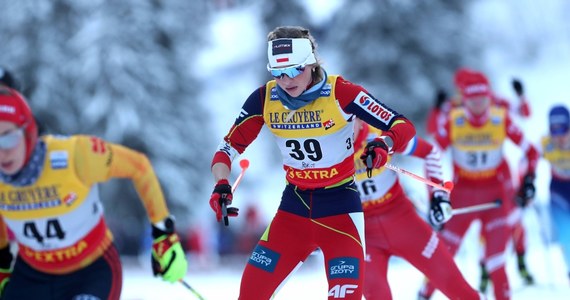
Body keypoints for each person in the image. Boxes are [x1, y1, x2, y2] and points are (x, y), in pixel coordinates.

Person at [208, 25, 415, 299]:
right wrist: (222, 184)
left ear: (311, 64)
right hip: (293, 212)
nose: (286, 80)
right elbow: (226, 149)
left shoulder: (340, 92)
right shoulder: (264, 98)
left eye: (295, 70)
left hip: (341, 213)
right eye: (278, 73)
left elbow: (402, 125)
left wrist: (383, 144)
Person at [0, 87, 188, 299]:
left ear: (28, 132)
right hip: (32, 276)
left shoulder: (77, 155)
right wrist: (3, 264)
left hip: (90, 272)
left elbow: (139, 166)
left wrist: (163, 234)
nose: (2, 151)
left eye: (9, 137)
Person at [417, 70, 539, 300]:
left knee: (496, 260)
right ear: (463, 98)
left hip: (495, 196)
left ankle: (514, 272)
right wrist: (435, 194)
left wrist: (529, 181)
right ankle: (424, 294)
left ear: (488, 96)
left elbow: (531, 151)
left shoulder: (499, 116)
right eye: (472, 100)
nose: (478, 105)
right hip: (462, 195)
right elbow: (431, 156)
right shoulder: (454, 119)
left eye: (482, 99)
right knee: (444, 253)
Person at [352, 118, 482, 300]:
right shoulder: (327, 145)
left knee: (459, 290)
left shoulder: (380, 136)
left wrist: (438, 196)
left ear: (359, 118)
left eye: (349, 120)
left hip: (403, 222)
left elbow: (429, 153)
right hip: (363, 235)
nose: (343, 128)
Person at [541, 104, 570, 283]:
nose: (559, 137)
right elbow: (528, 160)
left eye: (563, 130)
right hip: (558, 189)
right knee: (566, 233)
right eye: (554, 131)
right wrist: (526, 184)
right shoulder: (546, 144)